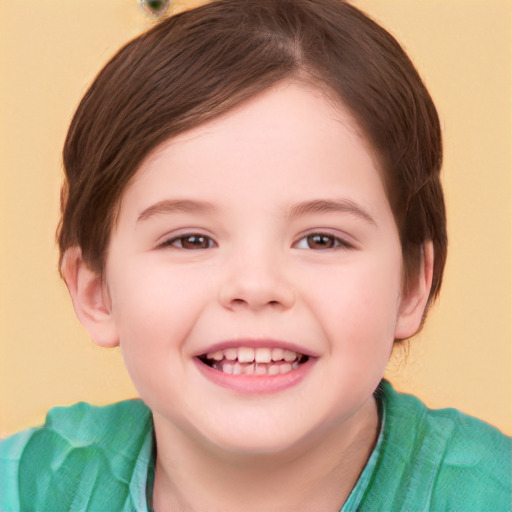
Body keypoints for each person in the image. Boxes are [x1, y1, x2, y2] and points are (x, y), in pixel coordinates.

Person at [1, 0, 510, 510]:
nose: (256, 285)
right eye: (191, 240)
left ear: (412, 285)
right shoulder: (28, 489)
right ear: (96, 291)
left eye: (322, 240)